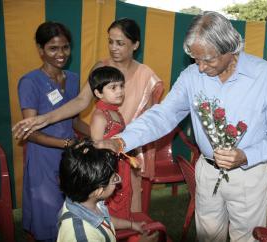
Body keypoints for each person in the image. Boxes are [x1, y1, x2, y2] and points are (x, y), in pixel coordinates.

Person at [98, 11, 267, 242]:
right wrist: (122, 140)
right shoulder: (192, 76)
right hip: (207, 171)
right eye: (195, 59)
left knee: (248, 238)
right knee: (207, 236)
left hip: (249, 174)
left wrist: (246, 155)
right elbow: (163, 115)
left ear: (231, 49)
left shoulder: (265, 75)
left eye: (208, 60)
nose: (200, 68)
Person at [13, 18, 164, 213]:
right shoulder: (100, 67)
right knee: (99, 205)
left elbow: (150, 121)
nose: (113, 48)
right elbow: (80, 102)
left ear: (135, 44)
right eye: (110, 41)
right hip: (101, 151)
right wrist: (44, 118)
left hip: (129, 149)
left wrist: (128, 145)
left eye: (120, 43)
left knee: (128, 201)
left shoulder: (147, 76)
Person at [17, 21, 89, 241]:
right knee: (48, 216)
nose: (61, 54)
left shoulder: (74, 78)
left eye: (65, 47)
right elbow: (30, 132)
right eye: (53, 48)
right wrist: (66, 144)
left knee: (72, 214)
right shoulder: (30, 82)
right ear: (40, 50)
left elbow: (74, 121)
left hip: (70, 158)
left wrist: (100, 135)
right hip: (44, 159)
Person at [58, 139, 158, 242]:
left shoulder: (86, 201)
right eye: (114, 178)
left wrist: (132, 225)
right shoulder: (82, 236)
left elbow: (104, 219)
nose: (118, 179)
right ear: (99, 191)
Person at [88, 66, 135, 220]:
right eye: (113, 87)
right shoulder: (100, 117)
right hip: (109, 172)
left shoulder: (116, 112)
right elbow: (96, 149)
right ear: (98, 93)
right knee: (110, 208)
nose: (120, 91)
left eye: (121, 86)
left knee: (124, 200)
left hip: (122, 167)